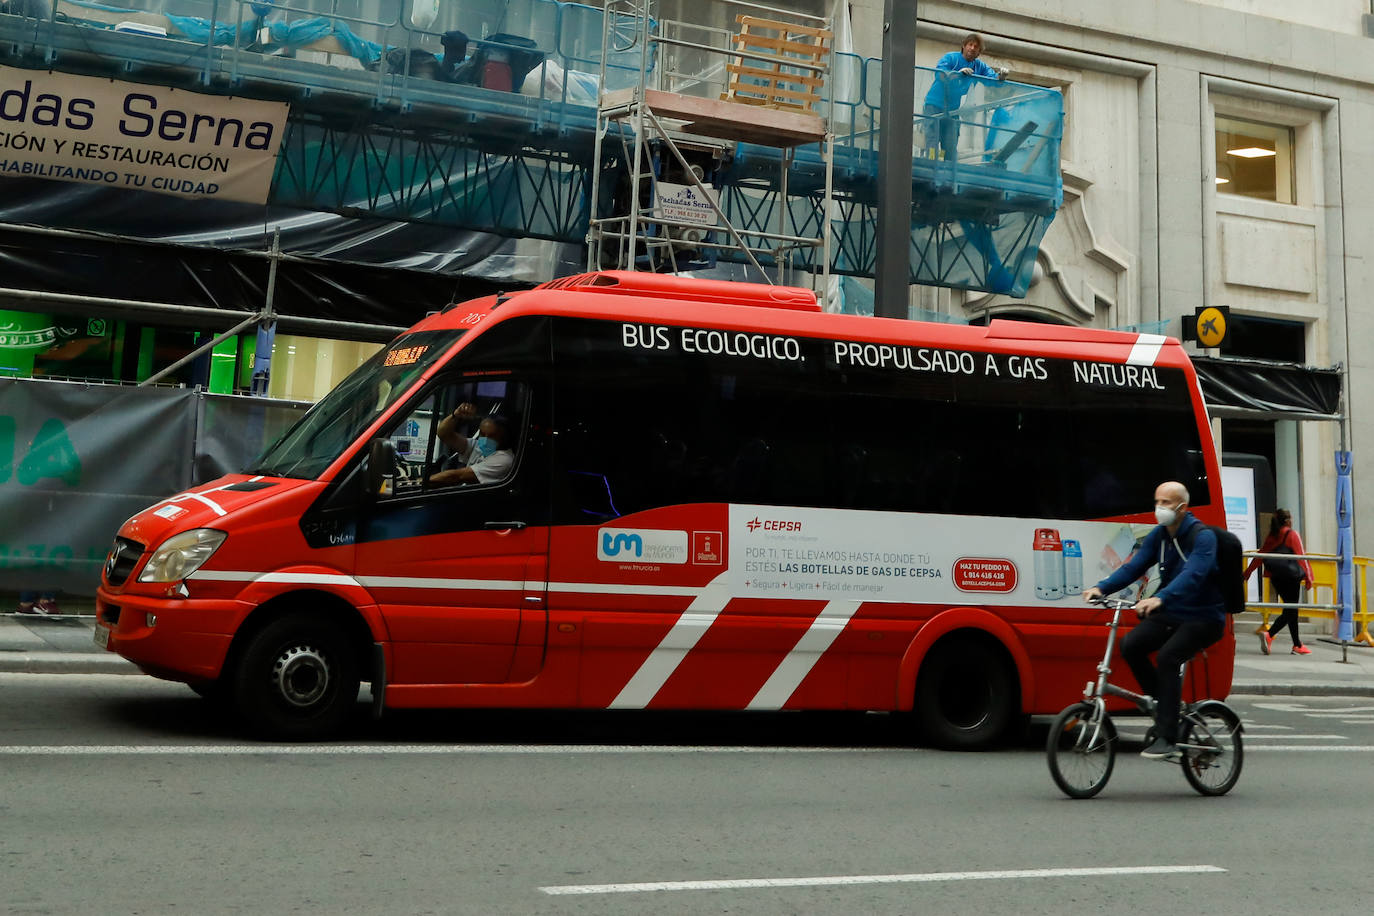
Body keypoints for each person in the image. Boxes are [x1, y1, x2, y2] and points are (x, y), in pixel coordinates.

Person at [1082, 481, 1227, 761]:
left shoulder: (1202, 537)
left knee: (1168, 657)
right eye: (1157, 501)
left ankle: (1168, 735)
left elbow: (1194, 575)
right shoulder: (1159, 536)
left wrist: (1161, 598)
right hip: (1174, 610)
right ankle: (1163, 707)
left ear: (1183, 508)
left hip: (1204, 616)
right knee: (1131, 645)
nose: (1159, 508)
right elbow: (1134, 566)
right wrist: (1102, 587)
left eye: (1166, 503)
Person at [921, 33, 1008, 160]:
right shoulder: (951, 58)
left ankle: (946, 167)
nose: (972, 48)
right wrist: (957, 74)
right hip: (934, 105)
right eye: (970, 45)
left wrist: (1001, 77)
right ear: (964, 46)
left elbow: (992, 79)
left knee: (950, 142)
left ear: (979, 52)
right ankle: (933, 163)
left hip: (952, 109)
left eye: (976, 47)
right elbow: (940, 74)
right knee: (933, 139)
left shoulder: (979, 66)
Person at [1245, 509, 1314, 655]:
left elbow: (1260, 555)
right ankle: (1274, 636)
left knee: (1290, 609)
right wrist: (1309, 577)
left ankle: (1293, 643)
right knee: (1291, 610)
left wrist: (1249, 571)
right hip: (1291, 577)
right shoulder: (1291, 534)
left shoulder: (1272, 536)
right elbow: (1302, 557)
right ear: (1288, 521)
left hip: (1276, 578)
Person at [428, 402, 514, 486]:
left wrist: (422, 482)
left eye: (491, 436)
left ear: (503, 437)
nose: (485, 440)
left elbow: (456, 476)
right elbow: (444, 434)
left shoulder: (504, 460)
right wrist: (455, 415)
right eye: (482, 434)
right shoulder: (478, 447)